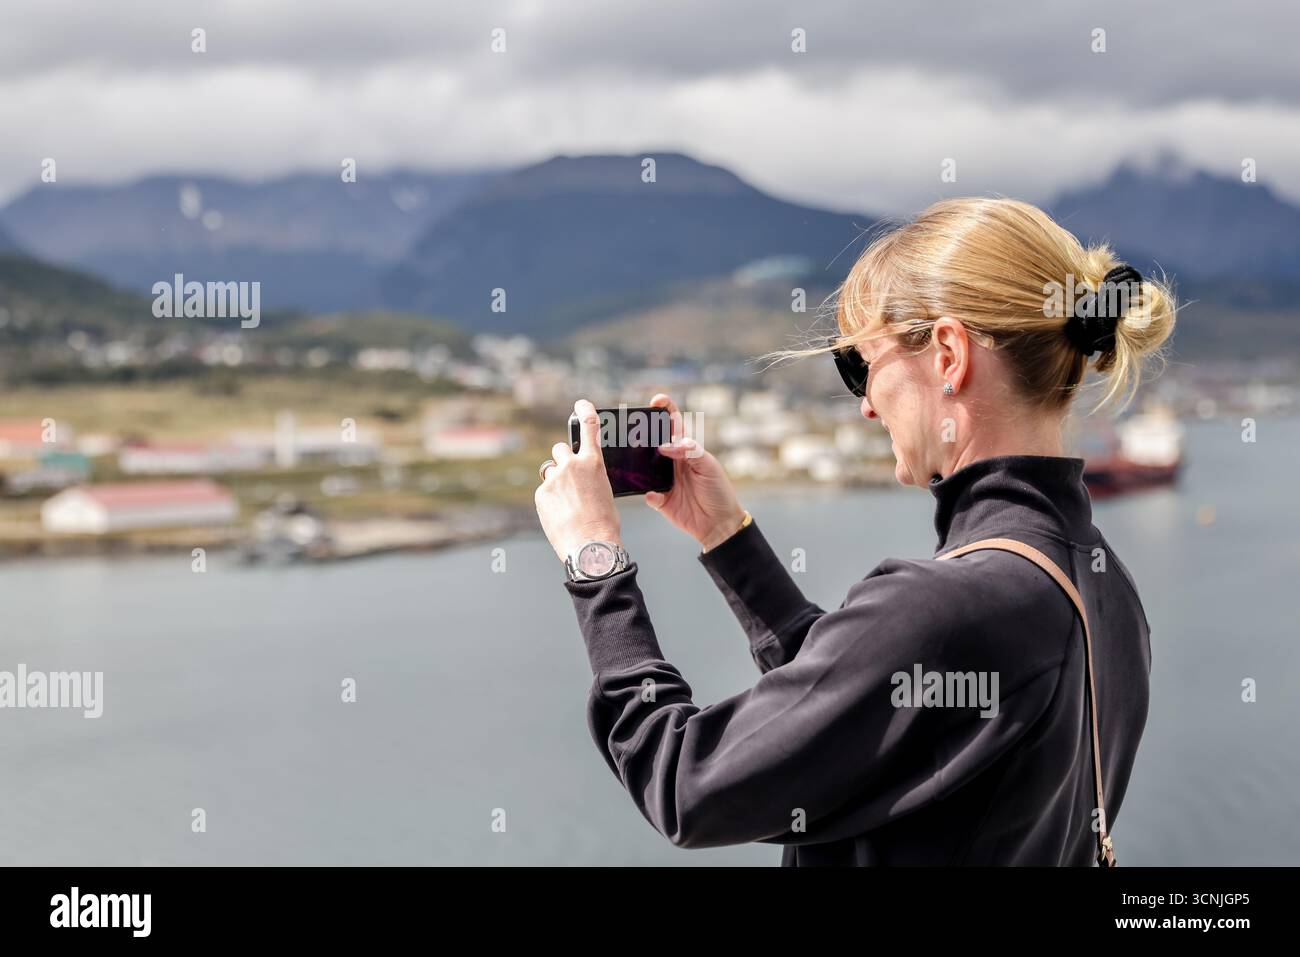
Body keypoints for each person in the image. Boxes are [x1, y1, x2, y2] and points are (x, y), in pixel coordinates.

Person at [533, 197, 1176, 865]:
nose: (866, 404)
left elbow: (687, 784)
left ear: (950, 354)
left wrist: (596, 563)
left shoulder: (948, 607)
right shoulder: (1108, 595)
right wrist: (726, 535)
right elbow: (876, 703)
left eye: (860, 365)